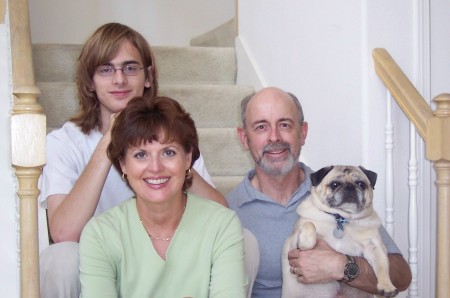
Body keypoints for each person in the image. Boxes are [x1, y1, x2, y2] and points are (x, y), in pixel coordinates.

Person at [39, 23, 226, 298]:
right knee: (60, 258)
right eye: (106, 69)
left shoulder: (173, 134)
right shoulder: (63, 142)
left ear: (147, 76)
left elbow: (222, 217)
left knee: (241, 241)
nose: (119, 80)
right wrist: (111, 140)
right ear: (90, 82)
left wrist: (172, 155)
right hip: (100, 266)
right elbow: (64, 232)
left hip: (166, 259)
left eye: (130, 68)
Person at [226, 87, 412, 297]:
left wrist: (341, 266)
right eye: (261, 127)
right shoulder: (229, 210)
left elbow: (401, 277)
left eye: (285, 124)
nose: (274, 137)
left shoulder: (334, 194)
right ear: (244, 138)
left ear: (302, 133)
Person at [79, 95, 246, 297]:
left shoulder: (222, 225)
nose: (156, 168)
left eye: (168, 152)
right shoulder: (100, 234)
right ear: (123, 164)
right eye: (141, 154)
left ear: (187, 158)